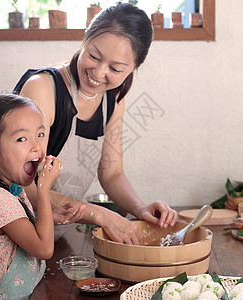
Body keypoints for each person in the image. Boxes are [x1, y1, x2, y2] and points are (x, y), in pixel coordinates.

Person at [13, 2, 178, 244]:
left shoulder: (114, 95)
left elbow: (111, 172)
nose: (99, 73)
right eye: (93, 56)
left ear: (133, 69)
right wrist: (98, 214)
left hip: (47, 233)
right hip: (3, 228)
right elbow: (21, 185)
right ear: (84, 40)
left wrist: (140, 209)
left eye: (115, 68)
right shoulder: (43, 88)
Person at [0, 94, 62, 299]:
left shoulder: (10, 187)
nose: (37, 146)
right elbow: (44, 249)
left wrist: (51, 218)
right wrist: (43, 190)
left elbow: (18, 227)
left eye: (40, 134)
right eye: (21, 139)